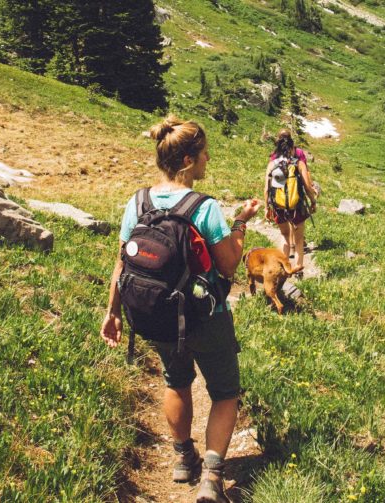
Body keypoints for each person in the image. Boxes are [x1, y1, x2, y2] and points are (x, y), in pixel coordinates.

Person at [100, 116, 259, 503]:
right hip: (205, 316)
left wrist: (113, 312)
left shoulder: (137, 202)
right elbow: (228, 265)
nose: (208, 160)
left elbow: (123, 260)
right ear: (189, 160)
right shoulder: (203, 208)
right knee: (225, 392)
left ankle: (182, 459)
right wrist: (240, 222)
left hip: (156, 315)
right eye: (204, 154)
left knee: (176, 381)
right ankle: (211, 477)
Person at [264, 129, 318, 269]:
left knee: (285, 237)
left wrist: (266, 208)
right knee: (299, 241)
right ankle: (298, 269)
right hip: (297, 206)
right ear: (292, 143)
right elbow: (307, 186)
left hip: (278, 206)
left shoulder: (272, 163)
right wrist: (313, 202)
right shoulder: (298, 163)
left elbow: (266, 189)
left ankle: (283, 269)